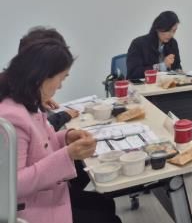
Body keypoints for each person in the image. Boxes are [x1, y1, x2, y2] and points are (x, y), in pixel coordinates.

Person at [0, 33, 121, 223]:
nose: (60, 86)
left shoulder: (28, 102)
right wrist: (67, 154)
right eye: (61, 78)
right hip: (29, 210)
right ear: (42, 77)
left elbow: (41, 144)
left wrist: (66, 137)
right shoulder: (12, 116)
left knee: (105, 204)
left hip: (45, 195)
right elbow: (13, 184)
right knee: (107, 217)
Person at [127, 11, 181, 80]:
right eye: (168, 30)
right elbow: (133, 73)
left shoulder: (173, 43)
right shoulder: (138, 44)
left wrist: (180, 72)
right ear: (158, 28)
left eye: (174, 31)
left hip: (167, 84)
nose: (171, 35)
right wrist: (161, 66)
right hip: (146, 85)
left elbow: (177, 67)